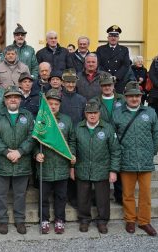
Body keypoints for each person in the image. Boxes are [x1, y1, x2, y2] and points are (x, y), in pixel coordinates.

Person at [113, 81, 158, 236]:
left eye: (137, 96)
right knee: (127, 194)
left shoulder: (150, 112)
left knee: (145, 194)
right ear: (126, 97)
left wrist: (152, 152)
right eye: (131, 96)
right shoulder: (118, 113)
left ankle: (145, 221)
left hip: (145, 160)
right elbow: (114, 137)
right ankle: (130, 220)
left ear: (141, 97)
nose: (134, 99)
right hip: (126, 160)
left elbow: (155, 133)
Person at [0, 85, 35, 235]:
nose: (13, 99)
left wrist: (20, 152)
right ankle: (3, 221)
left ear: (20, 100)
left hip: (22, 161)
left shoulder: (28, 116)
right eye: (10, 97)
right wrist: (6, 152)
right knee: (1, 194)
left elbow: (32, 136)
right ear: (5, 100)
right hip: (3, 161)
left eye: (16, 96)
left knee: (20, 194)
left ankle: (19, 220)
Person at [72, 100, 120, 234]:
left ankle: (102, 221)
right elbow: (73, 148)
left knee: (102, 197)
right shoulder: (78, 127)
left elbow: (115, 151)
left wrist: (113, 170)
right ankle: (84, 220)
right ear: (85, 114)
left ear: (99, 113)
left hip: (102, 168)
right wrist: (72, 166)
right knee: (83, 196)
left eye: (95, 113)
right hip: (82, 167)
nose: (92, 115)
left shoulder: (108, 128)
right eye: (89, 113)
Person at [34, 89, 75, 234]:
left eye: (55, 103)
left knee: (61, 196)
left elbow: (72, 141)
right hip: (44, 166)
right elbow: (34, 141)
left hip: (62, 166)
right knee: (43, 197)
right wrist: (36, 154)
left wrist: (72, 155)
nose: (52, 106)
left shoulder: (67, 120)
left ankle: (59, 220)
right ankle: (44, 220)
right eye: (50, 103)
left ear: (59, 105)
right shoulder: (41, 119)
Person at [92, 75, 125, 205]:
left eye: (109, 85)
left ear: (113, 85)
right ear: (100, 87)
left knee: (119, 167)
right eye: (104, 85)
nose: (107, 87)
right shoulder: (95, 101)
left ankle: (119, 195)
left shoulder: (122, 99)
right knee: (101, 167)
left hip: (120, 137)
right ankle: (99, 197)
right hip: (102, 137)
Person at [59, 68, 86, 209]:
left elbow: (83, 119)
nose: (70, 85)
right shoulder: (57, 98)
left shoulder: (81, 100)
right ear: (62, 83)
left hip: (77, 138)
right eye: (67, 82)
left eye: (72, 82)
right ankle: (63, 197)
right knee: (64, 169)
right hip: (61, 138)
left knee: (75, 168)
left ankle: (75, 197)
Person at [96, 25, 131, 94]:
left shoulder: (124, 49)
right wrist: (107, 76)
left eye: (115, 36)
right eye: (111, 36)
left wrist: (116, 76)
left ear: (118, 38)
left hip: (119, 81)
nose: (113, 38)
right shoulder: (100, 49)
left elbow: (126, 65)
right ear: (108, 37)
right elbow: (98, 64)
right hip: (104, 80)